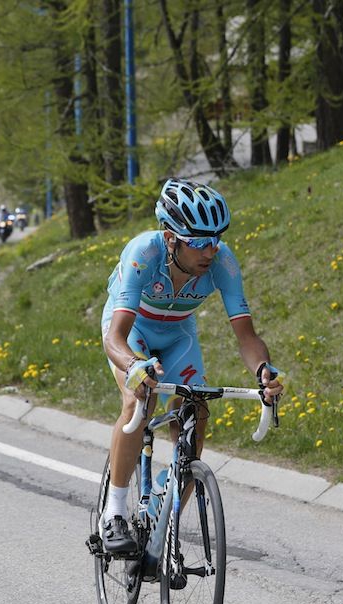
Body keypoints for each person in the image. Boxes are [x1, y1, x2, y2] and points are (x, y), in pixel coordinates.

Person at [98, 178, 284, 553]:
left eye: (215, 239)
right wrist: (135, 366)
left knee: (196, 410)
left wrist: (263, 370)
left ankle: (162, 515)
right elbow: (115, 337)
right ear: (170, 237)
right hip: (132, 330)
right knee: (140, 401)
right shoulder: (143, 254)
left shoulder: (223, 262)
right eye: (198, 242)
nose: (209, 251)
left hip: (179, 334)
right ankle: (113, 514)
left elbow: (247, 337)